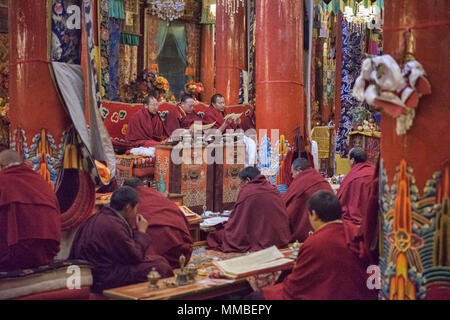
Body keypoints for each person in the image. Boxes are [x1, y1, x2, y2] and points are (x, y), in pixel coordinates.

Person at [260, 190, 377, 300]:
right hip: (359, 292)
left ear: (314, 214)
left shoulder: (316, 242)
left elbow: (296, 285)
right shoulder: (355, 231)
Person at [69, 186, 173, 293]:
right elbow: (135, 256)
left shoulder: (103, 217)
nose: (137, 212)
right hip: (102, 277)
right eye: (136, 208)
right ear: (127, 207)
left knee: (159, 260)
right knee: (160, 267)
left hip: (99, 271)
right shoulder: (112, 224)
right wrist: (141, 231)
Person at [0, 150, 61, 271]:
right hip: (45, 254)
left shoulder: (2, 181)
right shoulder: (40, 181)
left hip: (12, 256)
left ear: (1, 166)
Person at [207, 167, 291, 253]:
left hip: (263, 239)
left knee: (215, 236)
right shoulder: (273, 188)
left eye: (241, 183)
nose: (240, 187)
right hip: (281, 238)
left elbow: (238, 223)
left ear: (247, 180)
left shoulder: (248, 191)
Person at [123, 178, 193, 269]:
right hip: (182, 251)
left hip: (153, 255)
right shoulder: (158, 196)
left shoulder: (130, 202)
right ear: (143, 186)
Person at [283, 158, 333, 243]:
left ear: (299, 171)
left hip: (310, 229)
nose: (292, 176)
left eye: (293, 173)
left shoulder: (301, 181)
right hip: (331, 226)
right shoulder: (318, 177)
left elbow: (288, 205)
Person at [337, 147, 375, 225]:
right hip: (375, 217)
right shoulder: (374, 171)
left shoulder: (353, 176)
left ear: (352, 160)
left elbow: (342, 199)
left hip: (357, 221)